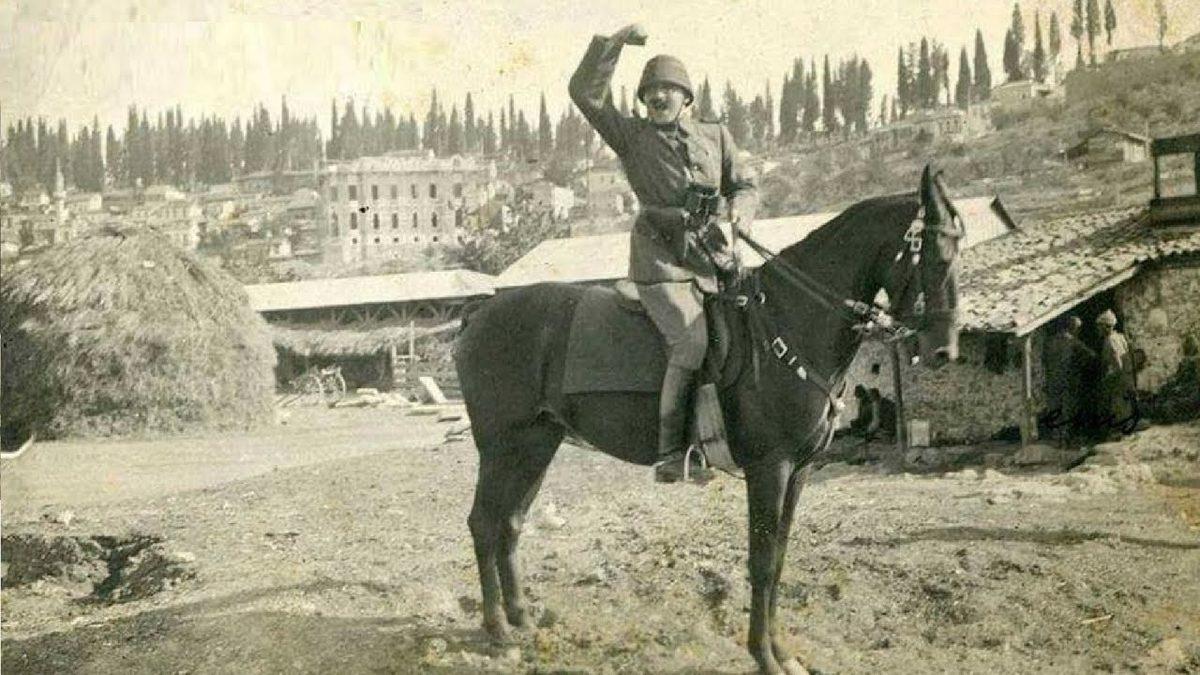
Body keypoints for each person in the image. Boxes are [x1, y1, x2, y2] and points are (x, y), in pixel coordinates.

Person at [569, 23, 758, 483]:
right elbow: (585, 93)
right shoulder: (631, 136)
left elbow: (745, 184)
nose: (657, 98)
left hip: (714, 257)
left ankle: (734, 436)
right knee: (691, 340)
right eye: (650, 92)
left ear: (687, 99)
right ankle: (673, 451)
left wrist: (741, 219)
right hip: (660, 262)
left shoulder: (715, 136)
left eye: (668, 91)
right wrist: (610, 43)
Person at [1043, 316, 1096, 447]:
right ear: (1073, 328)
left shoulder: (1050, 342)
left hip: (1052, 380)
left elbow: (1043, 360)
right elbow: (1091, 356)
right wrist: (1078, 364)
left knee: (1054, 410)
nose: (1078, 331)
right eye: (1078, 329)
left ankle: (1056, 439)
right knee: (1067, 410)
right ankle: (1065, 439)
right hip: (1067, 381)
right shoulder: (1073, 341)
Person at [1096, 309, 1138, 435]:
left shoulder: (1110, 341)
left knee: (1117, 404)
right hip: (1125, 376)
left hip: (1118, 378)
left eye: (1100, 327)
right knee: (1124, 405)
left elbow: (1117, 362)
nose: (1098, 329)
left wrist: (1111, 377)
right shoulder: (1120, 337)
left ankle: (1120, 432)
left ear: (1106, 327)